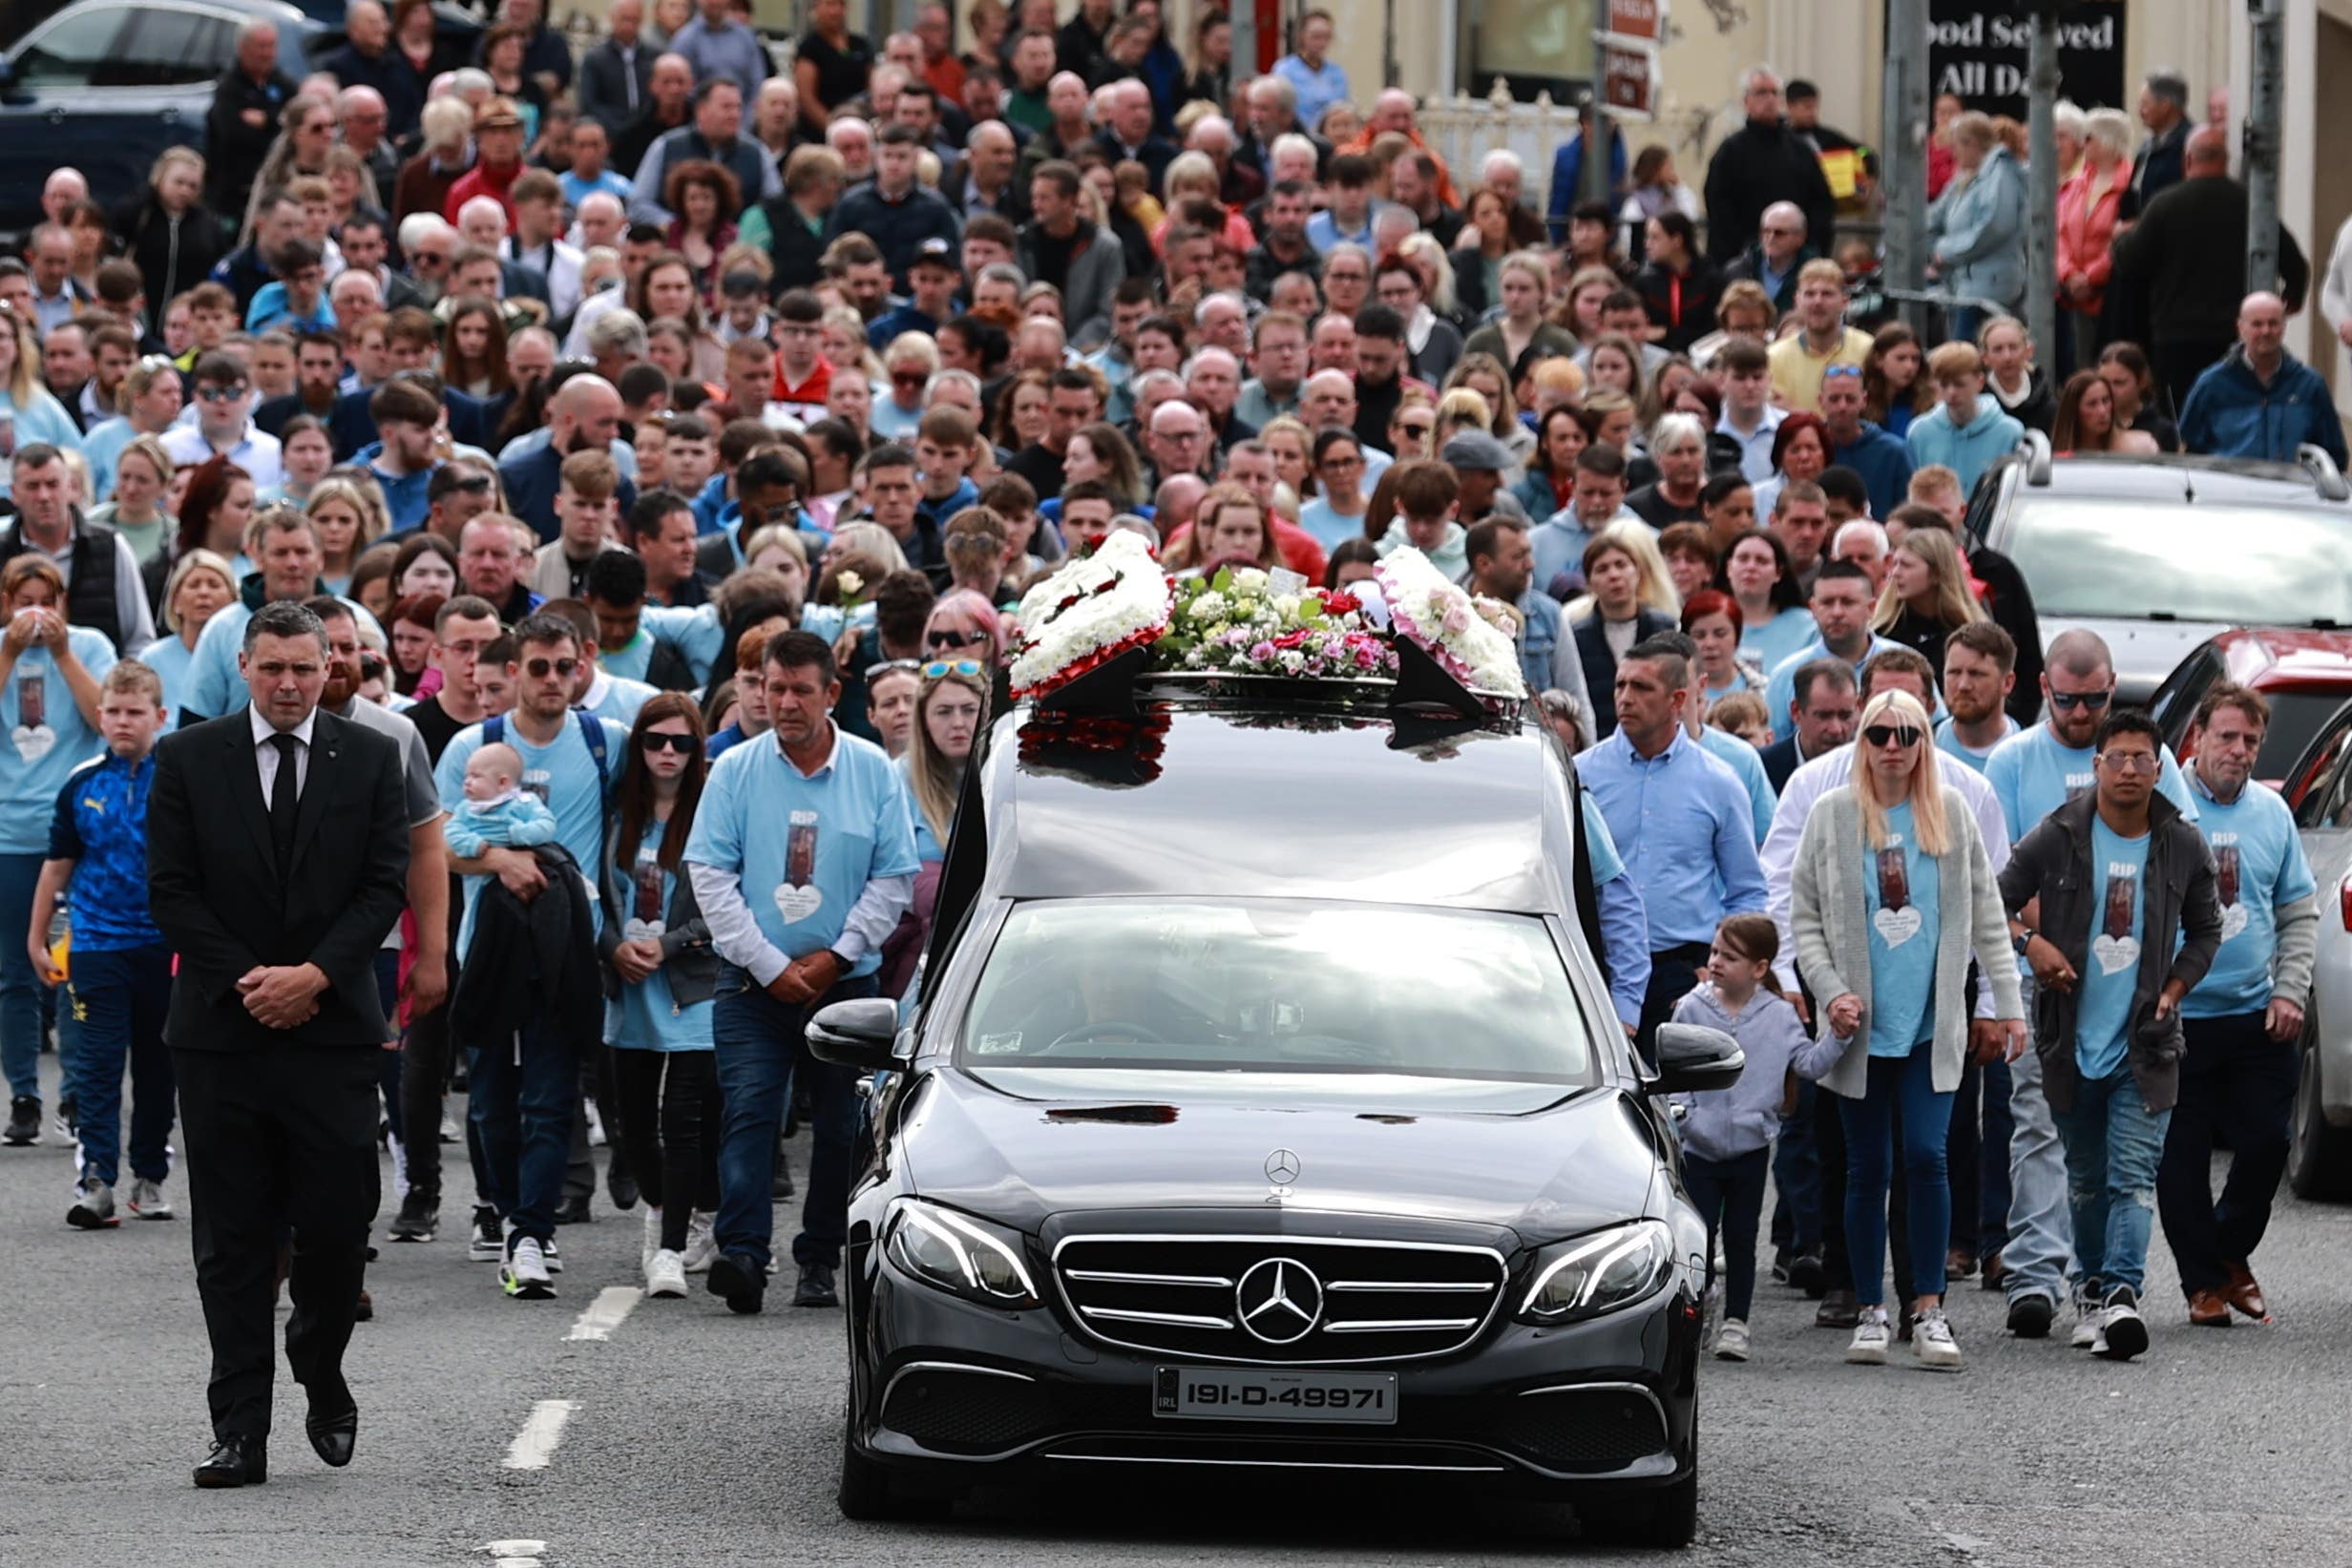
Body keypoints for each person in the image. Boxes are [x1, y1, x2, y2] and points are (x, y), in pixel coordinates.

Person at [145, 599, 410, 1487]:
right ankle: (240, 1429)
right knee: (232, 1238)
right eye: (273, 668)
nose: (291, 684)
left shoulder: (372, 754)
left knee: (339, 1225)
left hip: (332, 1030)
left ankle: (319, 1359)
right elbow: (172, 890)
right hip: (222, 1031)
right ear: (245, 669)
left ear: (330, 667)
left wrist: (315, 977)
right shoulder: (188, 757)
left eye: (307, 667)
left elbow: (384, 887)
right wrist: (254, 980)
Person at [1789, 689, 2026, 1369]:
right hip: (1860, 1029)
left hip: (1931, 1021)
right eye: (1879, 734)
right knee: (1867, 1169)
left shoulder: (1950, 812)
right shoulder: (1832, 815)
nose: (1893, 747)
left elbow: (1988, 917)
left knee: (1928, 1157)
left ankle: (1928, 1306)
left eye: (1908, 734)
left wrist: (2006, 1005)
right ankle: (1870, 1307)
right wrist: (1830, 992)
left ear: (1926, 743)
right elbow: (1802, 917)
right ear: (1861, 742)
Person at [684, 630, 915, 1314]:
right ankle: (744, 1255)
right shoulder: (735, 769)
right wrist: (770, 962)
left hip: (844, 988)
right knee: (750, 1113)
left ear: (832, 693)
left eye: (799, 689)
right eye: (772, 686)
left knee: (843, 1129)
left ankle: (820, 1255)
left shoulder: (874, 770)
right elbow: (710, 874)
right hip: (752, 986)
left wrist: (836, 955)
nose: (783, 702)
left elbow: (894, 875)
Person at [1983, 629, 2196, 1346]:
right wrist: (2031, 942)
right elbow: (1995, 896)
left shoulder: (2179, 835)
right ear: (2097, 766)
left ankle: (2121, 1294)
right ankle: (2064, 1283)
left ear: (2160, 766)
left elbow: (2206, 924)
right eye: (2118, 757)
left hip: (2146, 1036)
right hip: (2060, 1027)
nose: (2130, 769)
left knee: (2132, 1174)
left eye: (2143, 758)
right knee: (2076, 1170)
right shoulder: (2051, 823)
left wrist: (2174, 985)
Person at [433, 614, 629, 1297]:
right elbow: (435, 844)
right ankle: (507, 1208)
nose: (552, 679)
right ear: (512, 670)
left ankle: (530, 1231)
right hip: (488, 949)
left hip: (568, 948)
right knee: (489, 1103)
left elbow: (668, 791)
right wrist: (499, 859)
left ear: (584, 666)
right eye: (537, 666)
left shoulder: (608, 742)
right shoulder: (471, 746)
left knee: (551, 1101)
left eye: (564, 666)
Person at [2159, 683, 2316, 1328]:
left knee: (2265, 1145)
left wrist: (2290, 989)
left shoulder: (2273, 812)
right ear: (2197, 737)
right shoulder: (2165, 807)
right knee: (2183, 1159)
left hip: (2256, 1015)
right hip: (2180, 1017)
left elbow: (2297, 910)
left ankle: (2227, 1252)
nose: (2240, 750)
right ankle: (2203, 1283)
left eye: (2251, 740)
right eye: (2227, 736)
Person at [1577, 637, 1768, 1062]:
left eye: (1642, 688)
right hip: (1594, 965)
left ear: (1678, 699)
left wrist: (1723, 969)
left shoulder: (1718, 782)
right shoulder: (1581, 774)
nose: (1626, 698)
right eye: (1621, 685)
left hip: (1684, 972)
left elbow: (1747, 891)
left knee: (1683, 1113)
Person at [30, 659, 172, 1223]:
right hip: (95, 943)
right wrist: (37, 937)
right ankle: (96, 1180)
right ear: (99, 715)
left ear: (158, 716)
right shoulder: (82, 782)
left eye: (135, 712)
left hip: (165, 946)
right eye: (112, 711)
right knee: (97, 1063)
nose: (122, 722)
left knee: (160, 1067)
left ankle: (152, 1175)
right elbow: (56, 866)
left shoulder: (180, 779)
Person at [1670, 912, 1838, 1361]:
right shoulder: (1692, 1007)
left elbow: (1809, 1064)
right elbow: (1676, 1070)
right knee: (1698, 1239)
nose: (1717, 962)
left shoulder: (1780, 1016)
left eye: (1730, 956)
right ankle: (1697, 1310)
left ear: (1760, 969)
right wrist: (1685, 1116)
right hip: (1699, 1148)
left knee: (1743, 1239)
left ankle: (1737, 1323)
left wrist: (1839, 1036)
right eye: (1715, 952)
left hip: (1751, 1147)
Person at [599, 693, 722, 1300]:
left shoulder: (710, 814)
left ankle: (670, 1247)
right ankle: (664, 1210)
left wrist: (668, 945)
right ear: (638, 746)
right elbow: (596, 896)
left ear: (699, 750)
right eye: (655, 741)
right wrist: (613, 946)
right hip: (629, 987)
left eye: (682, 742)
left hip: (691, 985)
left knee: (685, 1122)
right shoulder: (618, 816)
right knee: (633, 1124)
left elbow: (726, 904)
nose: (668, 753)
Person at [2110, 125, 2309, 413]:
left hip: (2175, 338)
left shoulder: (2165, 206)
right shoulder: (2249, 206)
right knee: (2231, 416)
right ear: (2225, 160)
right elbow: (2294, 264)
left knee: (2180, 418)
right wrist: (2287, 301)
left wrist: (2120, 237)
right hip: (2233, 337)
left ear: (2187, 160)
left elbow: (2130, 260)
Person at [2178, 292, 2347, 465]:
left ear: (2284, 326)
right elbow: (2190, 453)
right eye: (2257, 324)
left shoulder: (2309, 385)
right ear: (2240, 327)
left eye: (2273, 323)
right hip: (2230, 489)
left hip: (2294, 488)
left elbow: (2334, 455)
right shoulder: (2211, 385)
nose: (2266, 331)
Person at [1703, 69, 1835, 266]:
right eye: (1761, 93)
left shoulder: (1800, 150)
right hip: (1745, 259)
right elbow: (1719, 210)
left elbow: (1821, 204)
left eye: (1775, 93)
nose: (1770, 99)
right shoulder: (1730, 151)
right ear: (1746, 101)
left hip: (1796, 259)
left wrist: (1811, 249)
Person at [1922, 112, 2026, 342]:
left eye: (1956, 146)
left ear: (1972, 144)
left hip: (1989, 287)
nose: (1953, 153)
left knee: (1967, 355)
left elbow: (1994, 227)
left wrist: (1947, 252)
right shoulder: (1967, 175)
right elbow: (1936, 215)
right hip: (1963, 283)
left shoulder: (2001, 174)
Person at [1568, 531, 1677, 736]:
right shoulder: (1576, 638)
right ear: (1589, 583)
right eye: (1602, 569)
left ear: (1637, 572)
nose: (1614, 575)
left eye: (1621, 565)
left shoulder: (1666, 629)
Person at [1903, 341, 2024, 496]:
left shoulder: (2010, 432)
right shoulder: (1919, 432)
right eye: (1944, 385)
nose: (1951, 392)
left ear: (1979, 382)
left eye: (1959, 385)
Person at [1870, 523, 1984, 680]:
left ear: (1936, 574)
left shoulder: (1970, 637)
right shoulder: (1881, 633)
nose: (1895, 573)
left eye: (1906, 565)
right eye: (1894, 564)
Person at [1934, 620, 2022, 773]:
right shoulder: (1924, 749)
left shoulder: (2028, 757)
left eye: (1976, 674)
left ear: (2007, 683)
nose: (1963, 685)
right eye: (1954, 673)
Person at [2123, 70, 2192, 220]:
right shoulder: (2146, 147)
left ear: (2165, 105)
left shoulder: (2191, 144)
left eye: (2145, 104)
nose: (2140, 111)